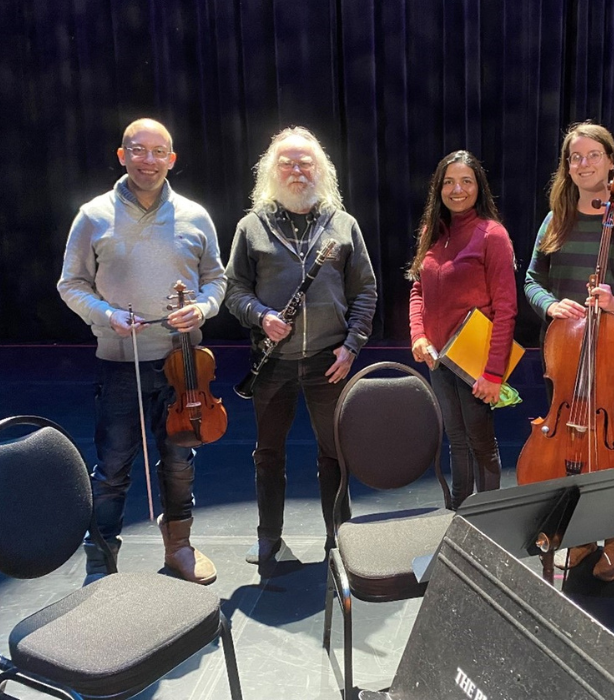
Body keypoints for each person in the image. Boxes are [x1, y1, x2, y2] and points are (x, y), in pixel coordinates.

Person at [58, 118, 227, 585]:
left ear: (172, 159)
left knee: (179, 459)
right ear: (122, 155)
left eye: (159, 152)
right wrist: (106, 315)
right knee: (113, 467)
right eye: (139, 150)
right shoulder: (93, 215)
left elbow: (217, 279)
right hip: (119, 364)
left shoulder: (196, 215)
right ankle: (101, 561)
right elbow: (70, 283)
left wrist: (204, 307)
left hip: (184, 364)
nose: (148, 160)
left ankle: (180, 546)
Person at [524, 122, 614, 581]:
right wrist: (550, 306)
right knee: (565, 450)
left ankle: (611, 540)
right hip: (566, 358)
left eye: (592, 156)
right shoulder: (556, 220)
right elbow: (531, 280)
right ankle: (577, 537)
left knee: (608, 454)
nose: (583, 165)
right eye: (574, 158)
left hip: (612, 361)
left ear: (611, 160)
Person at [225, 126, 377, 564]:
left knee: (334, 452)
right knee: (268, 453)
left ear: (320, 169)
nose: (296, 170)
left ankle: (340, 537)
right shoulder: (251, 226)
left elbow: (366, 290)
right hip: (272, 363)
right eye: (287, 163)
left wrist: (352, 346)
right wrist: (261, 316)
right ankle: (268, 536)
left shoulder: (343, 225)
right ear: (272, 171)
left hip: (329, 359)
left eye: (304, 162)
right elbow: (235, 290)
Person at [408, 151, 518, 510]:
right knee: (455, 438)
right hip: (439, 359)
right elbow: (418, 288)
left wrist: (494, 373)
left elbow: (506, 309)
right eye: (449, 182)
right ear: (438, 188)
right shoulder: (430, 232)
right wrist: (418, 335)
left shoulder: (492, 235)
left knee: (481, 441)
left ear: (478, 186)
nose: (457, 189)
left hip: (476, 362)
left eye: (466, 181)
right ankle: (459, 512)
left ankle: (486, 519)